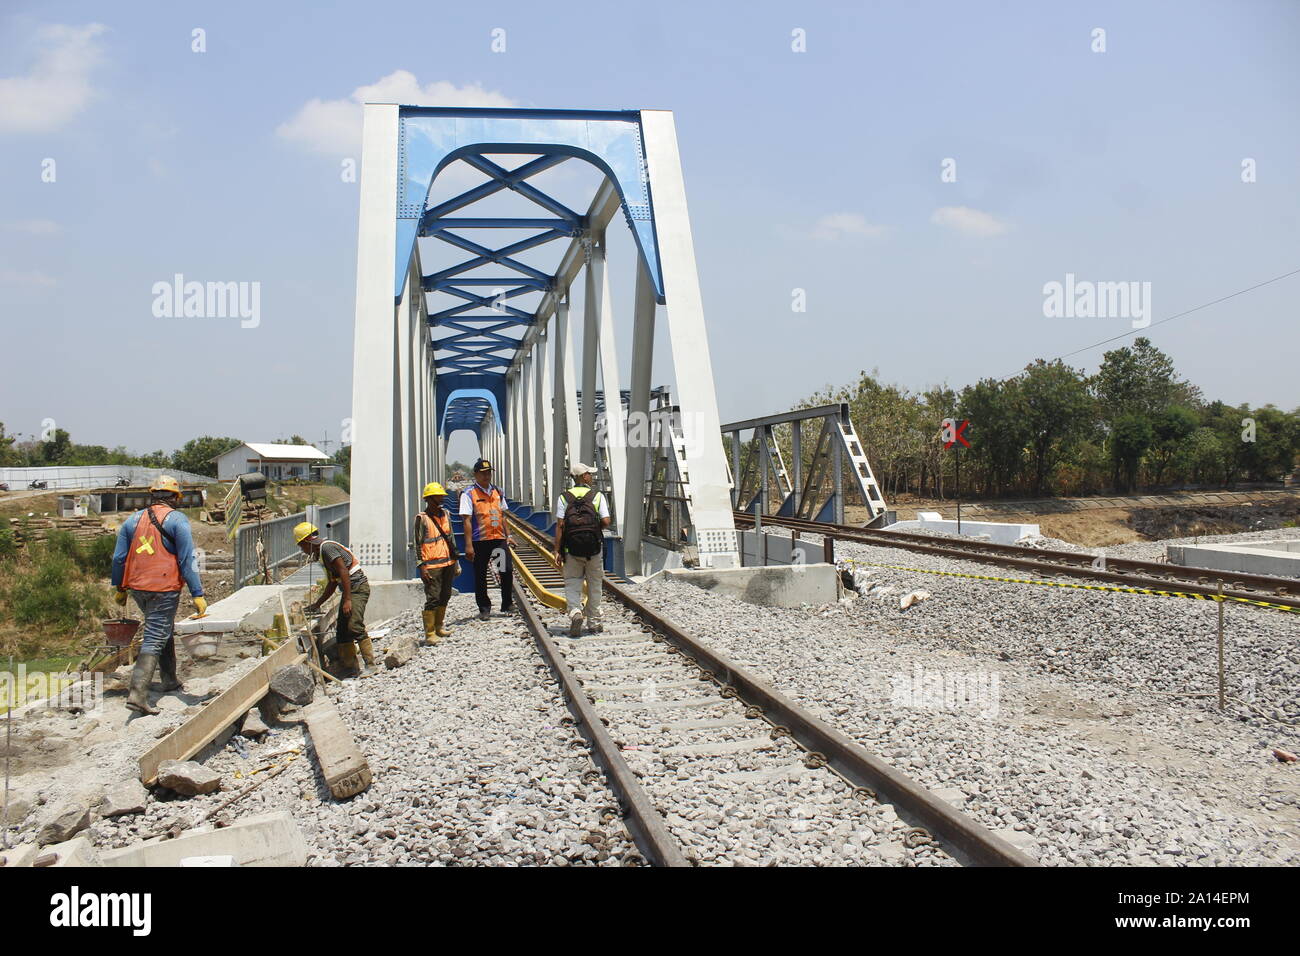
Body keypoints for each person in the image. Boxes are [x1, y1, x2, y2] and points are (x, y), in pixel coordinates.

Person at [111, 475, 207, 714]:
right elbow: (187, 559)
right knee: (156, 634)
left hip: (137, 587)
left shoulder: (132, 520)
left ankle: (169, 679)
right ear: (175, 497)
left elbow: (119, 558)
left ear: (152, 494)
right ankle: (138, 694)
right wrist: (197, 593)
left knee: (161, 627)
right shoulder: (177, 520)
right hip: (163, 589)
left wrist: (120, 588)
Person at [294, 522, 373, 677]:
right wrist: (317, 604)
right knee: (342, 631)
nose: (302, 550)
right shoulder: (322, 554)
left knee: (354, 625)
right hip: (350, 590)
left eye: (301, 546)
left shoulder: (327, 548)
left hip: (357, 589)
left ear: (307, 542)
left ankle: (371, 664)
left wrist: (348, 600)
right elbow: (332, 582)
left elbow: (343, 571)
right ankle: (350, 668)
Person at [553, 463, 611, 637]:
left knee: (572, 582)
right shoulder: (597, 496)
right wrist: (595, 529)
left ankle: (575, 612)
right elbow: (607, 521)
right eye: (589, 474)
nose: (591, 476)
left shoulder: (564, 497)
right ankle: (594, 623)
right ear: (583, 477)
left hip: (572, 549)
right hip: (594, 549)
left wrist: (557, 550)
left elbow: (560, 526)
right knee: (595, 585)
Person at [459, 458, 513, 621]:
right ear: (475, 474)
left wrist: (508, 535)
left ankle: (507, 603)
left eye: (488, 473)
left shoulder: (498, 492)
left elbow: (503, 516)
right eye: (483, 473)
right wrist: (468, 545)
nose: (486, 476)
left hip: (498, 539)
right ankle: (484, 608)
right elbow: (467, 520)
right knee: (480, 574)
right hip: (480, 541)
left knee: (506, 570)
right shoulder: (469, 494)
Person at [413, 481, 458, 645]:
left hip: (448, 562)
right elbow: (417, 544)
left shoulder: (446, 514)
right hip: (431, 566)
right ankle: (430, 633)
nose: (442, 498)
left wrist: (456, 563)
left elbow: (451, 538)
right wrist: (421, 566)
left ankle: (439, 627)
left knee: (445, 595)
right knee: (433, 598)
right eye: (439, 496)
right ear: (430, 499)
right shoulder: (422, 519)